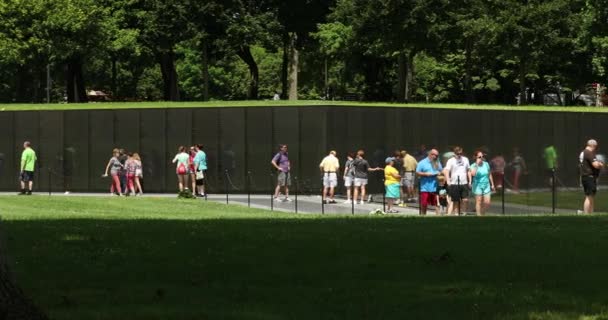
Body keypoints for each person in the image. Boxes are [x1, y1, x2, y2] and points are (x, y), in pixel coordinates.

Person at [443, 146, 470, 215]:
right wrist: (448, 180)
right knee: (456, 200)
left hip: (464, 182)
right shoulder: (451, 160)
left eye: (461, 153)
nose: (459, 155)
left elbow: (468, 170)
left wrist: (470, 180)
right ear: (454, 154)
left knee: (465, 200)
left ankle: (464, 212)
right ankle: (456, 214)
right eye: (458, 154)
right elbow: (446, 171)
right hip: (454, 182)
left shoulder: (465, 159)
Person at [580, 139, 604, 213]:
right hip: (589, 177)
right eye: (595, 147)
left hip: (585, 176)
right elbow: (596, 165)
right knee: (589, 196)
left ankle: (591, 213)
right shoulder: (589, 153)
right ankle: (586, 214)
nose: (595, 149)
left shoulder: (583, 152)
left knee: (590, 196)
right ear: (593, 146)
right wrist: (600, 164)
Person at [469, 150, 495, 216]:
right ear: (476, 157)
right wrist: (477, 165)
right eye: (479, 157)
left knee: (487, 203)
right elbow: (473, 174)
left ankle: (482, 214)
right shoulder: (473, 165)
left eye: (482, 156)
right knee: (479, 201)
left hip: (486, 185)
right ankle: (479, 216)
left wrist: (492, 184)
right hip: (477, 185)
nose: (481, 158)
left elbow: (489, 174)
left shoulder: (486, 164)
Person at [416, 148, 442, 215]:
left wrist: (439, 173)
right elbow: (417, 172)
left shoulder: (437, 162)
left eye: (437, 155)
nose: (436, 157)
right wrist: (425, 174)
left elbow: (441, 171)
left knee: (437, 203)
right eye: (435, 155)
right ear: (430, 154)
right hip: (425, 187)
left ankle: (438, 217)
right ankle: (423, 216)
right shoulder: (422, 162)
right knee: (424, 203)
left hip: (435, 186)